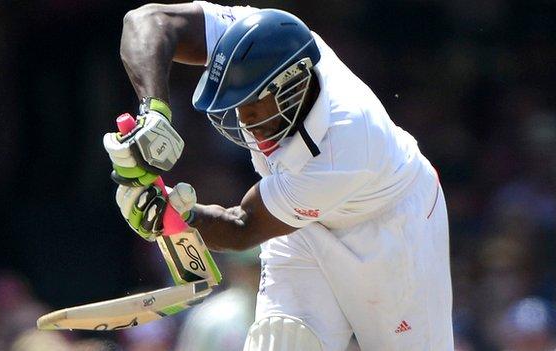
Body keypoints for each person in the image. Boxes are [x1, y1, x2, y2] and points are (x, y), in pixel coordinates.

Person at [103, 2, 454, 350]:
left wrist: (177, 218)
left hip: (392, 228)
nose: (243, 119)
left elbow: (243, 226)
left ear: (292, 85)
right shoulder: (257, 39)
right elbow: (147, 19)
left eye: (252, 104)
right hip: (301, 228)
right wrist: (155, 113)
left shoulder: (345, 145)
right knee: (283, 340)